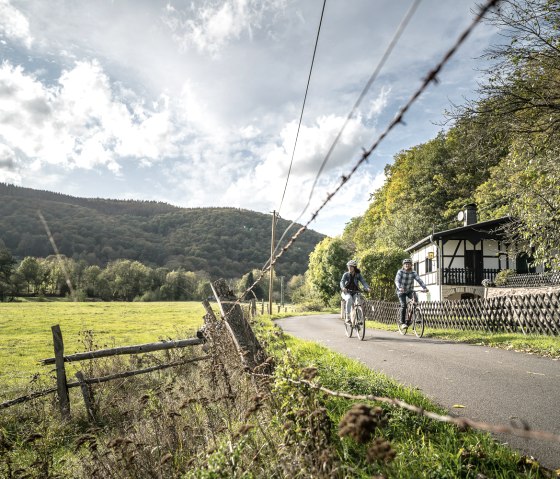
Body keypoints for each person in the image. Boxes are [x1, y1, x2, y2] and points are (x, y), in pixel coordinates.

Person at [395, 258, 428, 329]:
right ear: (403, 265)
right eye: (406, 264)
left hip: (410, 290)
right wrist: (399, 287)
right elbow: (397, 281)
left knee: (415, 301)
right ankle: (402, 323)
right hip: (401, 291)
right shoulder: (400, 272)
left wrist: (424, 288)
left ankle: (417, 318)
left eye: (408, 264)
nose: (407, 265)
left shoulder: (413, 272)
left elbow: (419, 280)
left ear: (411, 265)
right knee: (404, 306)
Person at [340, 260, 370, 324]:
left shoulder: (358, 275)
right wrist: (343, 288)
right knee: (349, 299)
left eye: (351, 266)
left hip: (355, 292)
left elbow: (363, 281)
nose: (349, 268)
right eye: (348, 266)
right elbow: (342, 282)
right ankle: (347, 317)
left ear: (354, 267)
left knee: (358, 302)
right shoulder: (346, 274)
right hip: (346, 292)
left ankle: (359, 319)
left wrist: (367, 287)